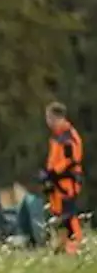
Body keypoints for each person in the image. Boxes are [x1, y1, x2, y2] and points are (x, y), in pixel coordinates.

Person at [38, 101, 83, 255]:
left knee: (68, 216)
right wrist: (47, 174)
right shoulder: (57, 137)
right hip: (57, 183)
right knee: (59, 215)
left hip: (67, 182)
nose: (47, 122)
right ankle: (62, 247)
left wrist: (53, 173)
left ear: (56, 117)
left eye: (49, 118)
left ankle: (73, 247)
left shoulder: (69, 137)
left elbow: (70, 161)